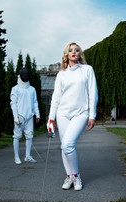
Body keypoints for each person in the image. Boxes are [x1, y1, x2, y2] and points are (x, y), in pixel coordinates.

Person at [47, 42, 98, 190]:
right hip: (62, 114)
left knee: (68, 145)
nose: (74, 52)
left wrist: (92, 115)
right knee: (64, 147)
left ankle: (76, 177)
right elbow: (56, 97)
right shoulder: (61, 74)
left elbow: (93, 93)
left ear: (80, 54)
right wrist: (51, 119)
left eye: (77, 50)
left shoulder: (87, 70)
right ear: (67, 54)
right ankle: (69, 177)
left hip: (80, 113)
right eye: (70, 50)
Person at [10, 67, 40, 164]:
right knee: (17, 136)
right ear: (20, 75)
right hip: (19, 116)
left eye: (27, 74)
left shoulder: (32, 89)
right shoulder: (15, 89)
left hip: (29, 116)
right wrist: (15, 116)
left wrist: (37, 114)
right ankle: (16, 157)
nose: (25, 75)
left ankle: (27, 156)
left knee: (29, 136)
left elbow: (35, 103)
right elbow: (13, 103)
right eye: (24, 74)